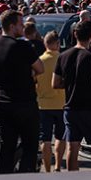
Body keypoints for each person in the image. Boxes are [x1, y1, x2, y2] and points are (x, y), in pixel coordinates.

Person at [54, 20, 91, 170]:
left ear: (75, 34)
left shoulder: (63, 56)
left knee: (72, 148)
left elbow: (55, 83)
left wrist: (72, 83)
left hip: (71, 108)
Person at [0, 10, 44, 173]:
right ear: (12, 27)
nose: (23, 27)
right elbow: (40, 68)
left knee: (7, 146)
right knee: (30, 146)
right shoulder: (22, 46)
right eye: (20, 24)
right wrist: (30, 72)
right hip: (23, 103)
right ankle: (25, 178)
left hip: (2, 103)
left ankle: (5, 178)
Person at [34, 32, 66, 172]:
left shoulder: (40, 60)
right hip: (61, 103)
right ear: (57, 44)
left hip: (43, 104)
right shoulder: (63, 59)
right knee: (60, 137)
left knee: (45, 139)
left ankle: (47, 170)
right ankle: (58, 166)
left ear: (45, 43)